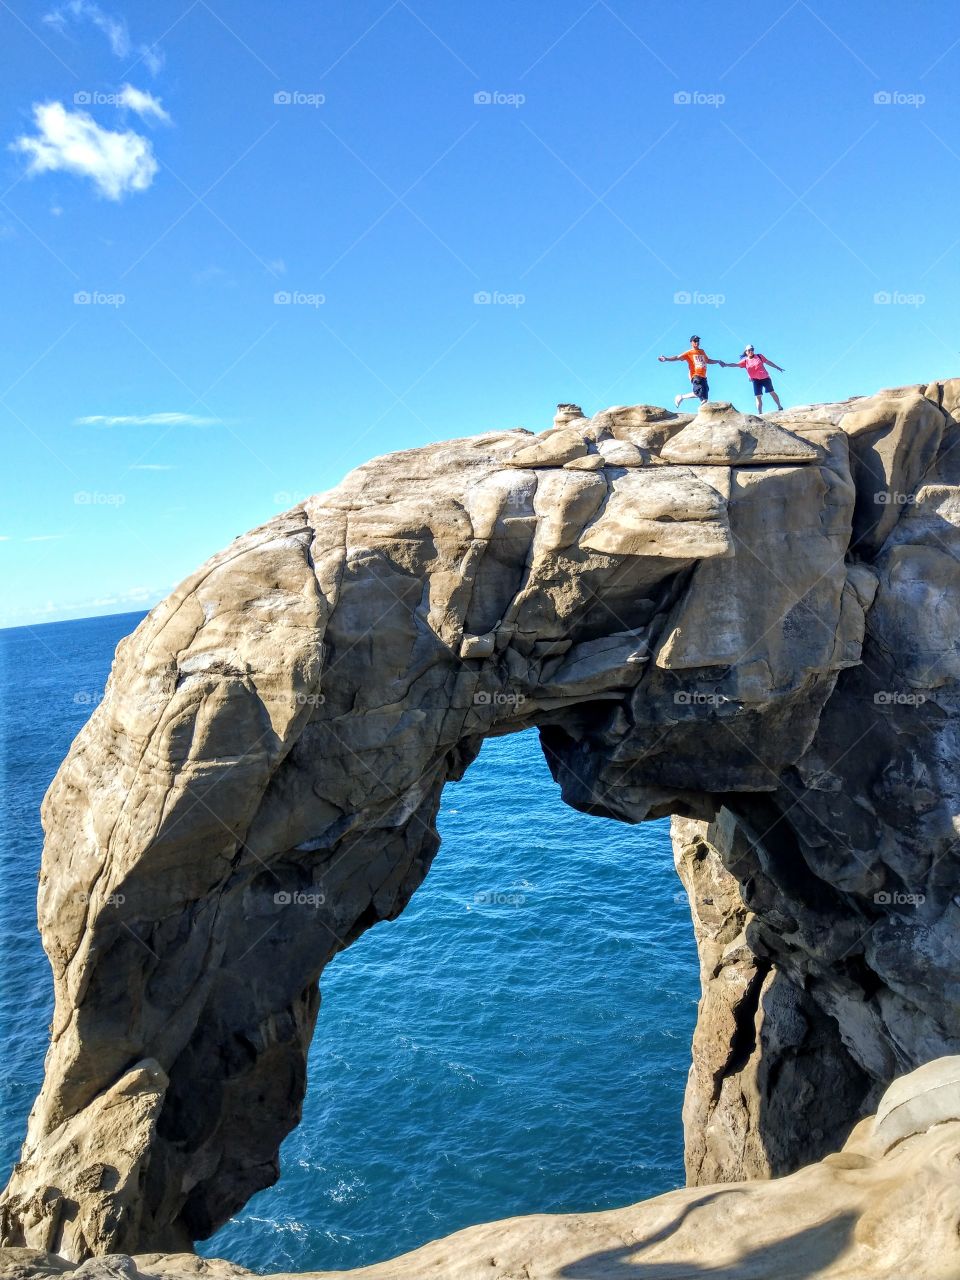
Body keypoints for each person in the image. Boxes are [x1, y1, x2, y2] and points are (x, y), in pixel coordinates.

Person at [658, 336, 722, 408]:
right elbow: (677, 357)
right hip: (696, 375)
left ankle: (700, 414)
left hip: (704, 376)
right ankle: (681, 397)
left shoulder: (702, 351)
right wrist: (666, 359)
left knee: (705, 400)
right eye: (695, 341)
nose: (697, 342)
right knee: (699, 393)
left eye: (698, 340)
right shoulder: (689, 353)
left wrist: (717, 361)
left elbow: (708, 361)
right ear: (691, 343)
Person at [722, 345, 785, 413]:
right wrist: (726, 364)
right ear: (746, 352)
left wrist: (777, 367)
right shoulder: (745, 361)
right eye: (749, 350)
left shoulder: (759, 356)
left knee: (771, 392)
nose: (751, 351)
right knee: (758, 396)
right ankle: (760, 413)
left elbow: (768, 362)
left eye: (752, 349)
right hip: (755, 380)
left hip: (765, 378)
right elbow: (735, 365)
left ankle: (779, 406)